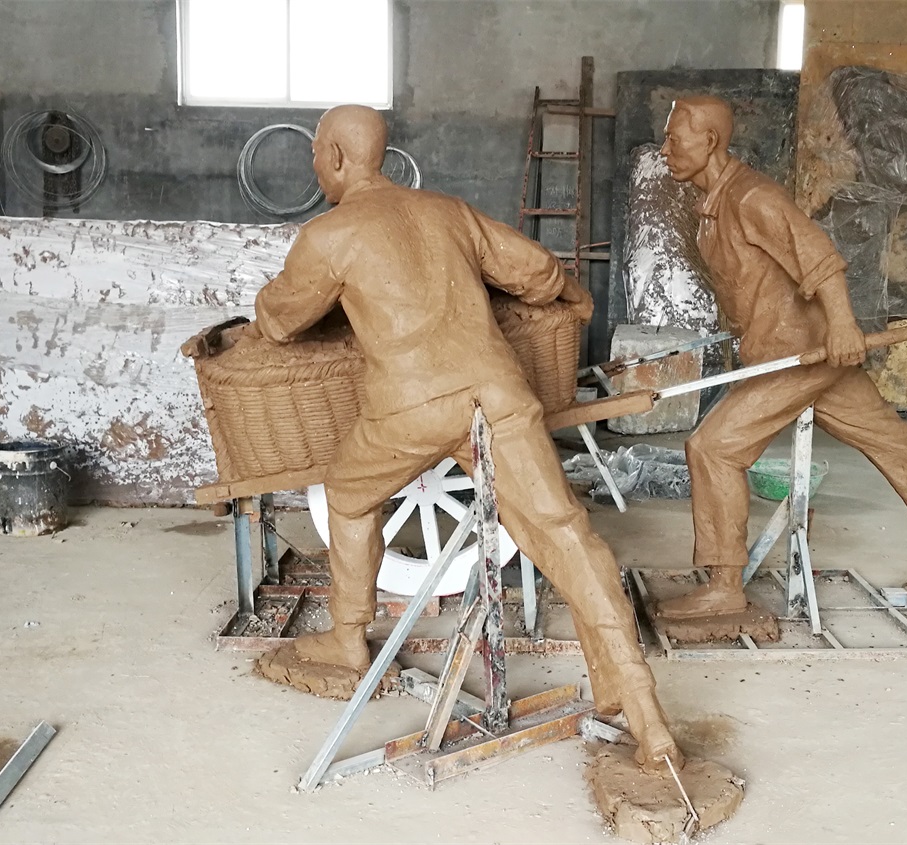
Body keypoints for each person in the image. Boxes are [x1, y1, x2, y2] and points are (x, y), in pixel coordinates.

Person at [253, 105, 681, 769]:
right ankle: (642, 705)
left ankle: (347, 638)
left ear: (334, 157)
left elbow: (280, 320)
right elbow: (535, 269)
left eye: (316, 157)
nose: (317, 169)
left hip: (411, 409)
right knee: (566, 534)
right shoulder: (447, 211)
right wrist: (571, 295)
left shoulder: (329, 235)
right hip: (497, 393)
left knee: (347, 496)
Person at [655, 96, 907, 621]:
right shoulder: (710, 208)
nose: (665, 149)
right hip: (785, 351)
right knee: (891, 440)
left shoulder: (753, 198)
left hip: (801, 354)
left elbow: (818, 257)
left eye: (673, 138)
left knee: (713, 448)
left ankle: (724, 585)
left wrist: (842, 326)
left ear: (709, 142)